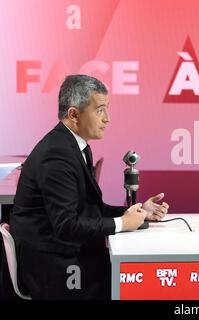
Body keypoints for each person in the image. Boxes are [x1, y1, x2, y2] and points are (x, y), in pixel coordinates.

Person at [10, 74, 169, 299]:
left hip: (64, 253)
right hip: (52, 268)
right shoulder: (56, 155)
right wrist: (123, 223)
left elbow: (88, 208)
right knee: (126, 281)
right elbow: (67, 226)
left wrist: (136, 212)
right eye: (100, 110)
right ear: (74, 114)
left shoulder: (75, 145)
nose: (108, 118)